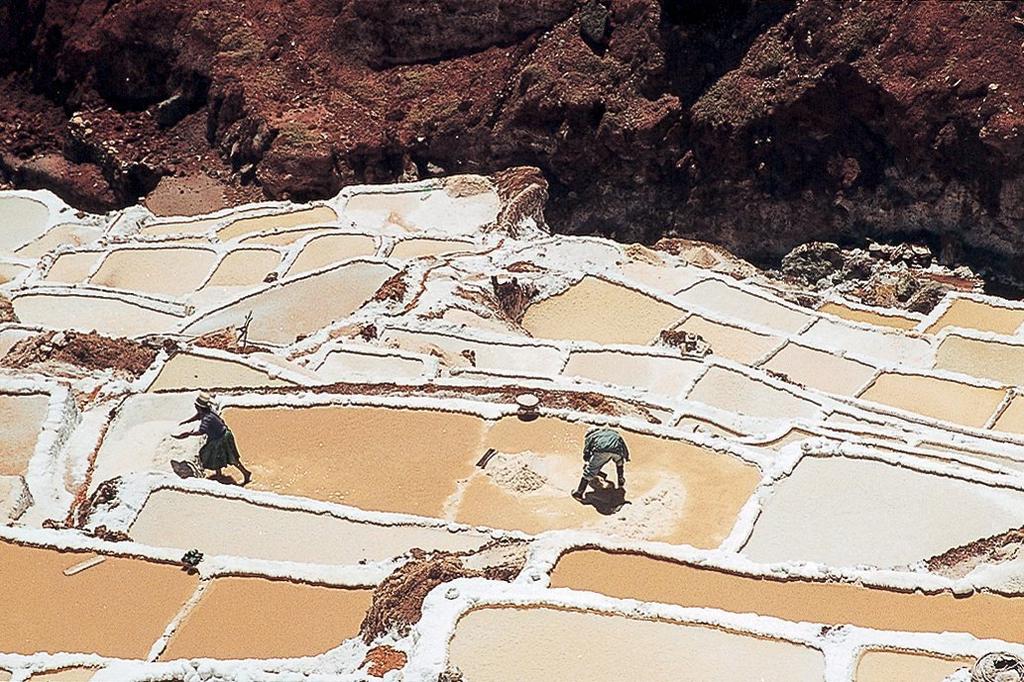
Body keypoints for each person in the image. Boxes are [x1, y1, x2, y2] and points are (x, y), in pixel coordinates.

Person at [173, 392, 252, 485]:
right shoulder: (208, 411)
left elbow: (201, 431)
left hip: (222, 438)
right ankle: (218, 474)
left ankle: (245, 473)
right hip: (217, 437)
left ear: (199, 407)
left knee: (231, 458)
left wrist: (188, 434)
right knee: (215, 456)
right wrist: (187, 421)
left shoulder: (207, 418)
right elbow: (198, 416)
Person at [572, 425, 629, 502]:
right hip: (617, 450)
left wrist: (589, 464)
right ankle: (621, 480)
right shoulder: (612, 432)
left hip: (602, 451)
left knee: (589, 471)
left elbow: (586, 454)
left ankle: (579, 493)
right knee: (619, 463)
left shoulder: (591, 436)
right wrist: (626, 456)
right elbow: (623, 444)